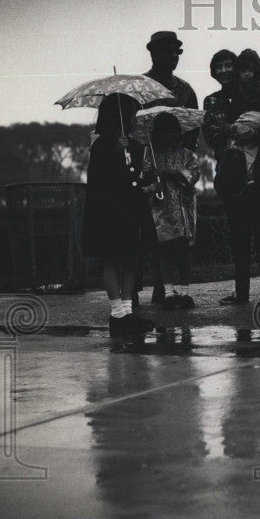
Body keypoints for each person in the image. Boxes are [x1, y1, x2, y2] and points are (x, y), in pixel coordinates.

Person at [203, 48, 260, 304]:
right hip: (230, 172)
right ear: (213, 71)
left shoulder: (254, 91)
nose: (224, 70)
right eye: (219, 66)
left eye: (228, 65)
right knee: (239, 234)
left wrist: (254, 133)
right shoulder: (211, 101)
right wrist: (232, 130)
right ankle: (241, 291)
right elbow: (211, 136)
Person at [81, 93, 157, 338]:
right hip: (111, 212)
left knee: (130, 259)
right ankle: (117, 314)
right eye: (130, 115)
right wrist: (117, 152)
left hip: (130, 211)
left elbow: (135, 179)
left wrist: (144, 172)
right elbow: (101, 180)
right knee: (113, 259)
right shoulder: (102, 145)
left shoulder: (133, 145)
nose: (134, 120)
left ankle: (128, 310)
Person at [140, 29, 198, 305]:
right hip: (150, 169)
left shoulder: (185, 90)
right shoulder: (140, 87)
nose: (173, 57)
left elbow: (192, 131)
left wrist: (181, 160)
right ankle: (151, 287)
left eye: (177, 52)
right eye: (167, 51)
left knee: (177, 243)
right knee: (151, 236)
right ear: (153, 53)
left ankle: (172, 288)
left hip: (177, 175)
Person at [141, 112, 200, 310]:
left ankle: (185, 293)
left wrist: (172, 173)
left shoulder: (186, 155)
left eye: (174, 132)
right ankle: (168, 292)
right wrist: (149, 171)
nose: (171, 137)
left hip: (182, 210)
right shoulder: (151, 155)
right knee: (164, 252)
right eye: (166, 133)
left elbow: (192, 176)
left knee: (183, 253)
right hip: (161, 210)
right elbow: (143, 176)